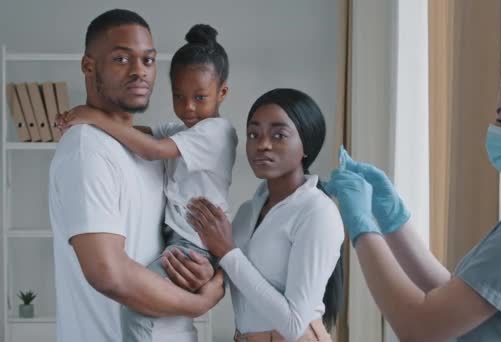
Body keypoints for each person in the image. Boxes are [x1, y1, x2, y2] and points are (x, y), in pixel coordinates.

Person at [325, 62, 501, 341]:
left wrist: (361, 226)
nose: (494, 131)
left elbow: (419, 327)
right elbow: (460, 296)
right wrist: (393, 220)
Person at [49, 9, 225, 342]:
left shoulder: (151, 148)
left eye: (148, 60)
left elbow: (168, 239)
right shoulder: (87, 149)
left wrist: (205, 271)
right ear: (89, 66)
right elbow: (109, 274)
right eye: (121, 59)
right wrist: (197, 303)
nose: (139, 72)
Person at [186, 89, 344, 341]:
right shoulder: (247, 212)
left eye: (279, 135)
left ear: (306, 144)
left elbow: (293, 325)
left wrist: (227, 252)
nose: (263, 144)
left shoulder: (317, 212)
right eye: (253, 134)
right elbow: (231, 275)